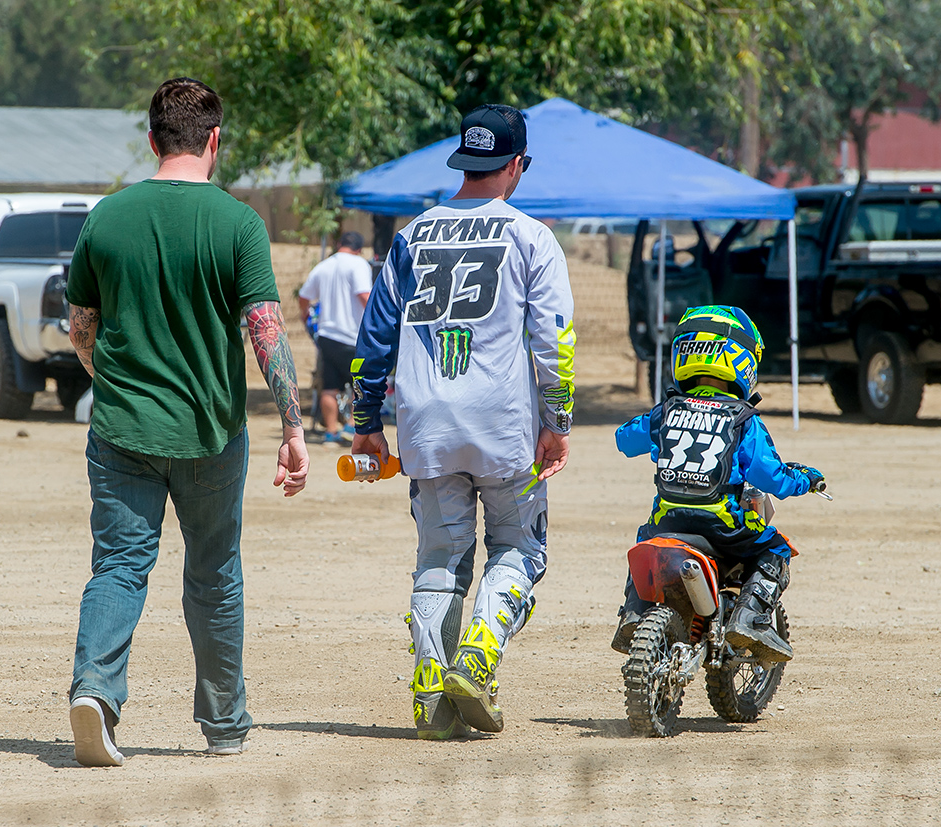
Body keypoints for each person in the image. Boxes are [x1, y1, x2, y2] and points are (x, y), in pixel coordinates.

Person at [64, 77, 309, 767]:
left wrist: (112, 383)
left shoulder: (106, 218)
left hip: (120, 430)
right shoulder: (238, 224)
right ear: (214, 140)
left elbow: (81, 328)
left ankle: (96, 693)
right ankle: (225, 724)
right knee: (213, 574)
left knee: (117, 568)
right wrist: (293, 429)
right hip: (210, 434)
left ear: (151, 140)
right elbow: (266, 331)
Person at [351, 104, 576, 739]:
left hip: (425, 422)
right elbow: (553, 337)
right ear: (514, 165)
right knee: (518, 546)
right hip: (504, 424)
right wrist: (558, 418)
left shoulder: (412, 235)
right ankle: (478, 654)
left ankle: (429, 694)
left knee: (439, 555)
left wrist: (366, 418)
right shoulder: (532, 237)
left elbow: (375, 334)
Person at [612, 305, 824, 663]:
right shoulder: (743, 419)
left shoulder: (666, 412)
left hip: (668, 521)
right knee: (775, 549)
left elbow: (624, 440)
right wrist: (804, 479)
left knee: (647, 541)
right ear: (742, 360)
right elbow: (770, 476)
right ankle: (750, 620)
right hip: (722, 527)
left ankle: (635, 612)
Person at [298, 231, 373, 443]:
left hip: (327, 336)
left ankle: (330, 431)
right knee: (361, 382)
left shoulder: (324, 266)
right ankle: (351, 426)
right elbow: (363, 295)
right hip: (352, 336)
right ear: (359, 249)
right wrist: (377, 321)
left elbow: (304, 297)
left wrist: (306, 315)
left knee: (329, 386)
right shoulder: (359, 265)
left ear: (339, 244)